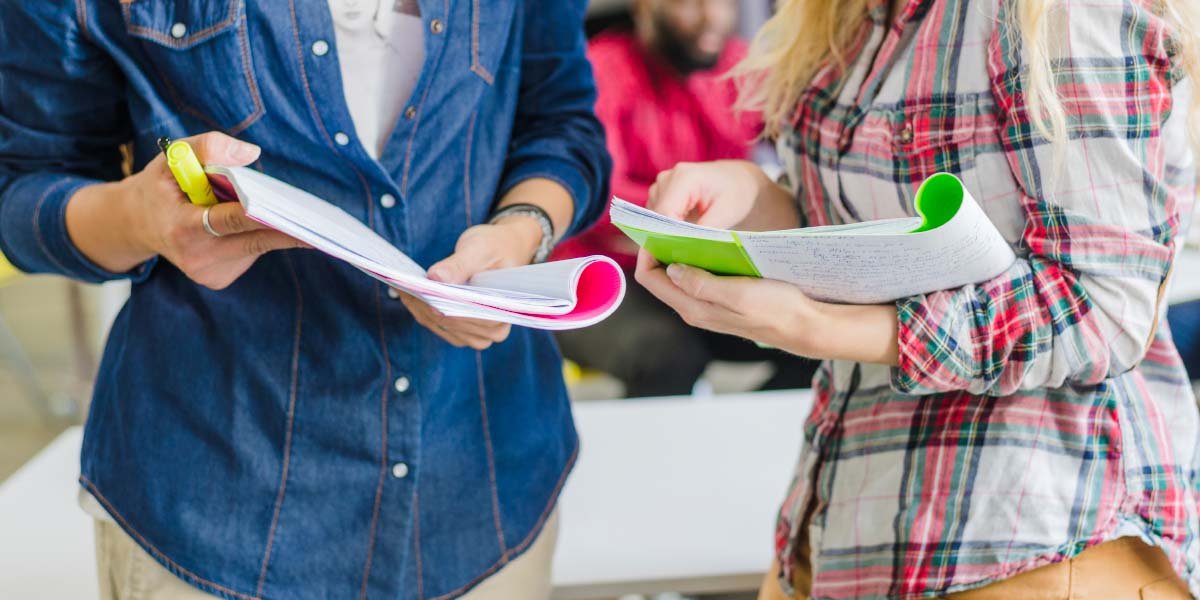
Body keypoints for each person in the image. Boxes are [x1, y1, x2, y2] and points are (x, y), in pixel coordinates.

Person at [0, 1, 609, 599]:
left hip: (482, 476)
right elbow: (27, 190)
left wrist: (522, 229)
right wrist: (141, 219)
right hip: (217, 494)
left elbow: (560, 121)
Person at [635, 0, 1200, 598]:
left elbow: (1103, 307)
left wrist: (821, 326)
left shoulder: (1059, 11)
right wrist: (755, 197)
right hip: (843, 528)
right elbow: (862, 223)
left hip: (1034, 532)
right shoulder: (843, 15)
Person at [555, 0, 819, 397]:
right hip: (600, 273)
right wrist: (691, 211)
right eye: (690, 2)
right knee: (668, 357)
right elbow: (592, 198)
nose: (713, 16)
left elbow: (800, 139)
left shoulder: (737, 66)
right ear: (644, 7)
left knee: (808, 339)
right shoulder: (600, 71)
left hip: (693, 268)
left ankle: (739, 430)